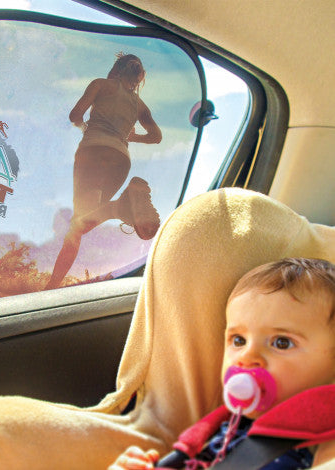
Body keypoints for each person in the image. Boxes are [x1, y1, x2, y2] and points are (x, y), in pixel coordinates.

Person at [109, 257, 335, 469]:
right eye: (238, 340)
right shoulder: (227, 428)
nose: (247, 356)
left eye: (282, 343)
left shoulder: (324, 442)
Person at [45, 53, 162, 290]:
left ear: (116, 68)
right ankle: (51, 286)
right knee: (84, 221)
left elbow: (75, 115)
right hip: (120, 159)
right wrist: (131, 137)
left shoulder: (100, 84)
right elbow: (156, 136)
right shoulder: (139, 105)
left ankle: (118, 208)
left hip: (93, 152)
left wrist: (84, 127)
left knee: (77, 226)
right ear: (140, 76)